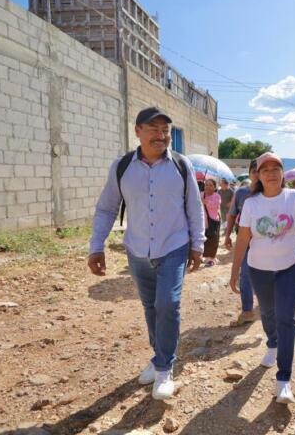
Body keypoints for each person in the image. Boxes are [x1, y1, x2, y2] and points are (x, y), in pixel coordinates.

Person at [87, 106, 204, 400]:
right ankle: (158, 356)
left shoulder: (181, 165)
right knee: (150, 306)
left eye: (165, 131)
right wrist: (96, 246)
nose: (161, 136)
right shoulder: (122, 167)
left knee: (168, 303)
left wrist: (197, 244)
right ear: (137, 131)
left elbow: (194, 206)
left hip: (173, 246)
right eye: (153, 130)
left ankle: (164, 368)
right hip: (137, 249)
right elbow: (106, 208)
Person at [230, 152, 295, 404]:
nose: (271, 173)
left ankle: (284, 378)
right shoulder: (252, 203)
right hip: (259, 269)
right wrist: (235, 272)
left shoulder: (294, 197)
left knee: (286, 317)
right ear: (258, 175)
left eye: (276, 168)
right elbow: (243, 239)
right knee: (269, 313)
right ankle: (272, 343)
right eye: (265, 169)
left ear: (283, 173)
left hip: (290, 267)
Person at [224, 160, 258, 324]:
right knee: (245, 274)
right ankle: (247, 310)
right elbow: (231, 214)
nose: (259, 175)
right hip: (245, 241)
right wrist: (227, 235)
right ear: (250, 173)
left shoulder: (272, 193)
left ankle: (269, 309)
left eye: (263, 171)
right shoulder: (241, 193)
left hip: (266, 243)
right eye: (255, 171)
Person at [202, 179, 222, 267]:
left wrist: (206, 202)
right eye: (206, 185)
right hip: (202, 221)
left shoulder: (217, 196)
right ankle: (205, 256)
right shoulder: (201, 194)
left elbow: (215, 206)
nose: (208, 187)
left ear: (214, 187)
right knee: (204, 239)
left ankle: (211, 258)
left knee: (213, 240)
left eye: (210, 185)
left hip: (213, 221)